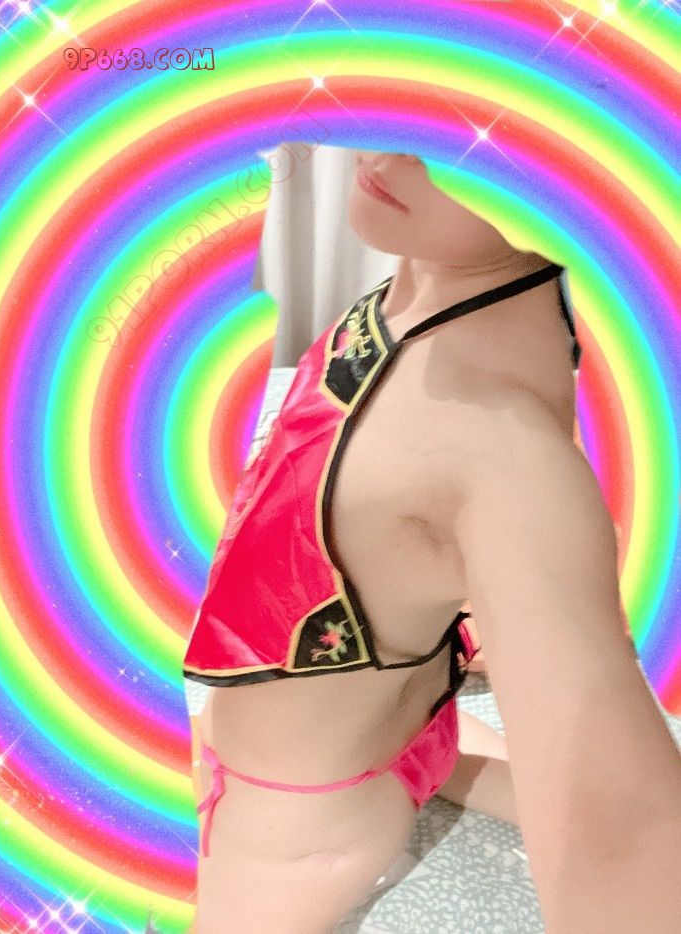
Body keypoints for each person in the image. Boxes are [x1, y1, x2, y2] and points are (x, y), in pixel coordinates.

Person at [184, 150, 680, 932]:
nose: (392, 149)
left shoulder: (500, 453)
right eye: (430, 98)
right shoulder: (447, 292)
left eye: (482, 142)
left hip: (297, 825)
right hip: (409, 732)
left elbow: (621, 840)